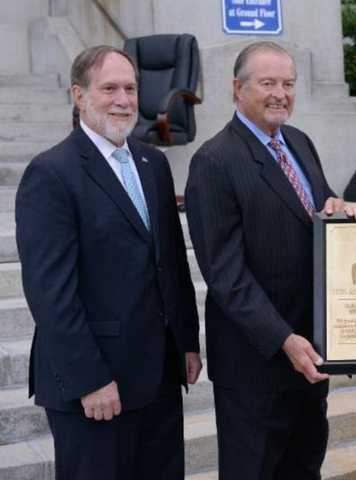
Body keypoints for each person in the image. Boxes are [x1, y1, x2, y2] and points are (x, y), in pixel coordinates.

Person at [184, 41, 356, 479]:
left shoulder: (300, 142)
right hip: (259, 362)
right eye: (267, 83)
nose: (280, 94)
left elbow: (318, 210)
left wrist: (346, 212)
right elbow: (225, 274)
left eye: (288, 84)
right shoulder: (214, 161)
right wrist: (284, 339)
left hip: (313, 354)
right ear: (238, 88)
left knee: (304, 467)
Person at [15, 45, 201, 480]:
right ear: (79, 96)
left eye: (131, 88)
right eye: (109, 88)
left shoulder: (152, 164)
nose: (123, 99)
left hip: (157, 377)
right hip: (95, 388)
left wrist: (186, 340)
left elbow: (171, 261)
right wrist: (89, 380)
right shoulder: (51, 172)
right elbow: (50, 294)